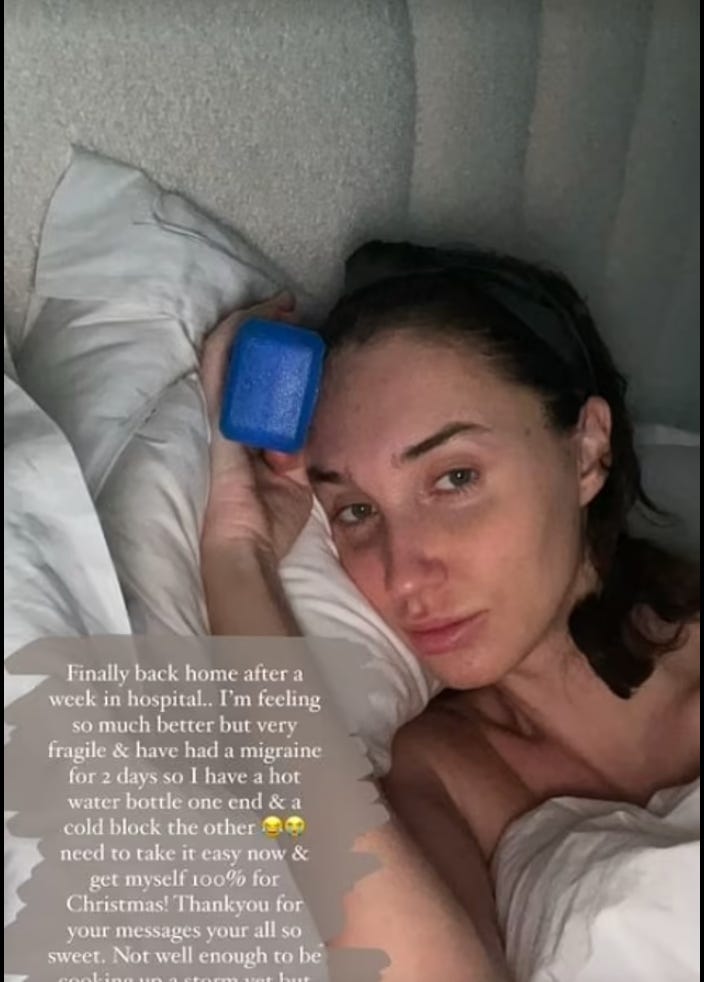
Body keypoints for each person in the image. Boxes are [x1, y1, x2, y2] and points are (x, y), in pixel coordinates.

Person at [199, 242, 699, 980]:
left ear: (588, 450)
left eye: (455, 477)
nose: (404, 573)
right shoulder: (434, 778)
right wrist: (236, 559)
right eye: (357, 511)